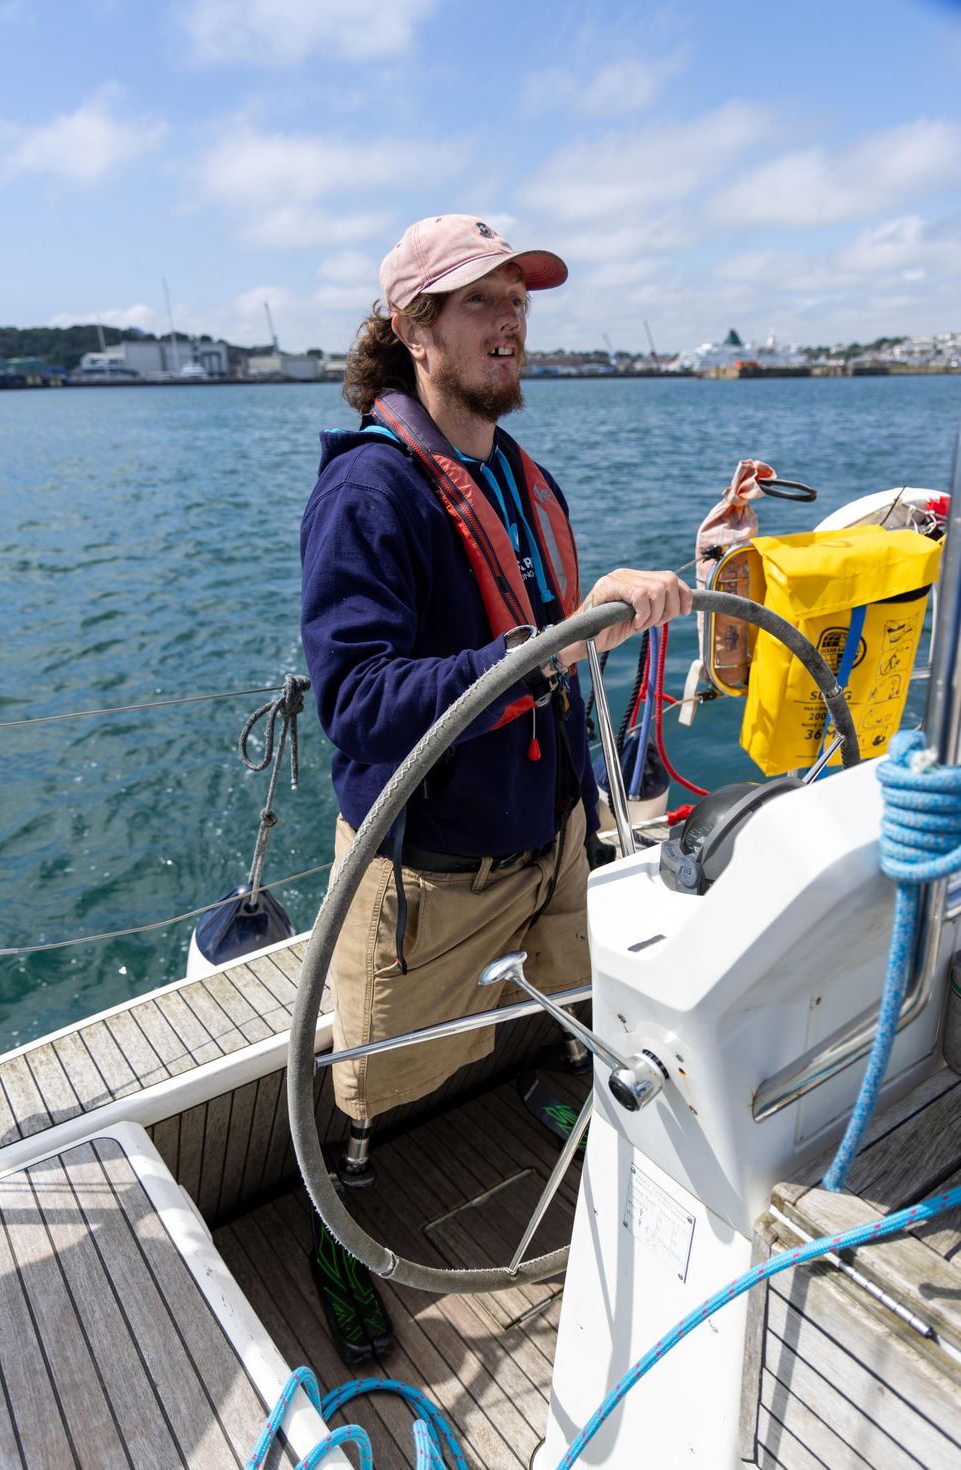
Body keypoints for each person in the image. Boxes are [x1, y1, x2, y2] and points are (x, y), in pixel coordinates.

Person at [300, 214, 690, 1173]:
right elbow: (354, 701)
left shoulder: (523, 478)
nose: (509, 320)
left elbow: (552, 624)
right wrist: (542, 651)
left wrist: (699, 563)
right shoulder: (368, 496)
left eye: (516, 300)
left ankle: (569, 1099)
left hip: (553, 837)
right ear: (413, 327)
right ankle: (340, 1207)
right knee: (375, 1077)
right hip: (433, 871)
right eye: (479, 300)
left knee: (574, 997)